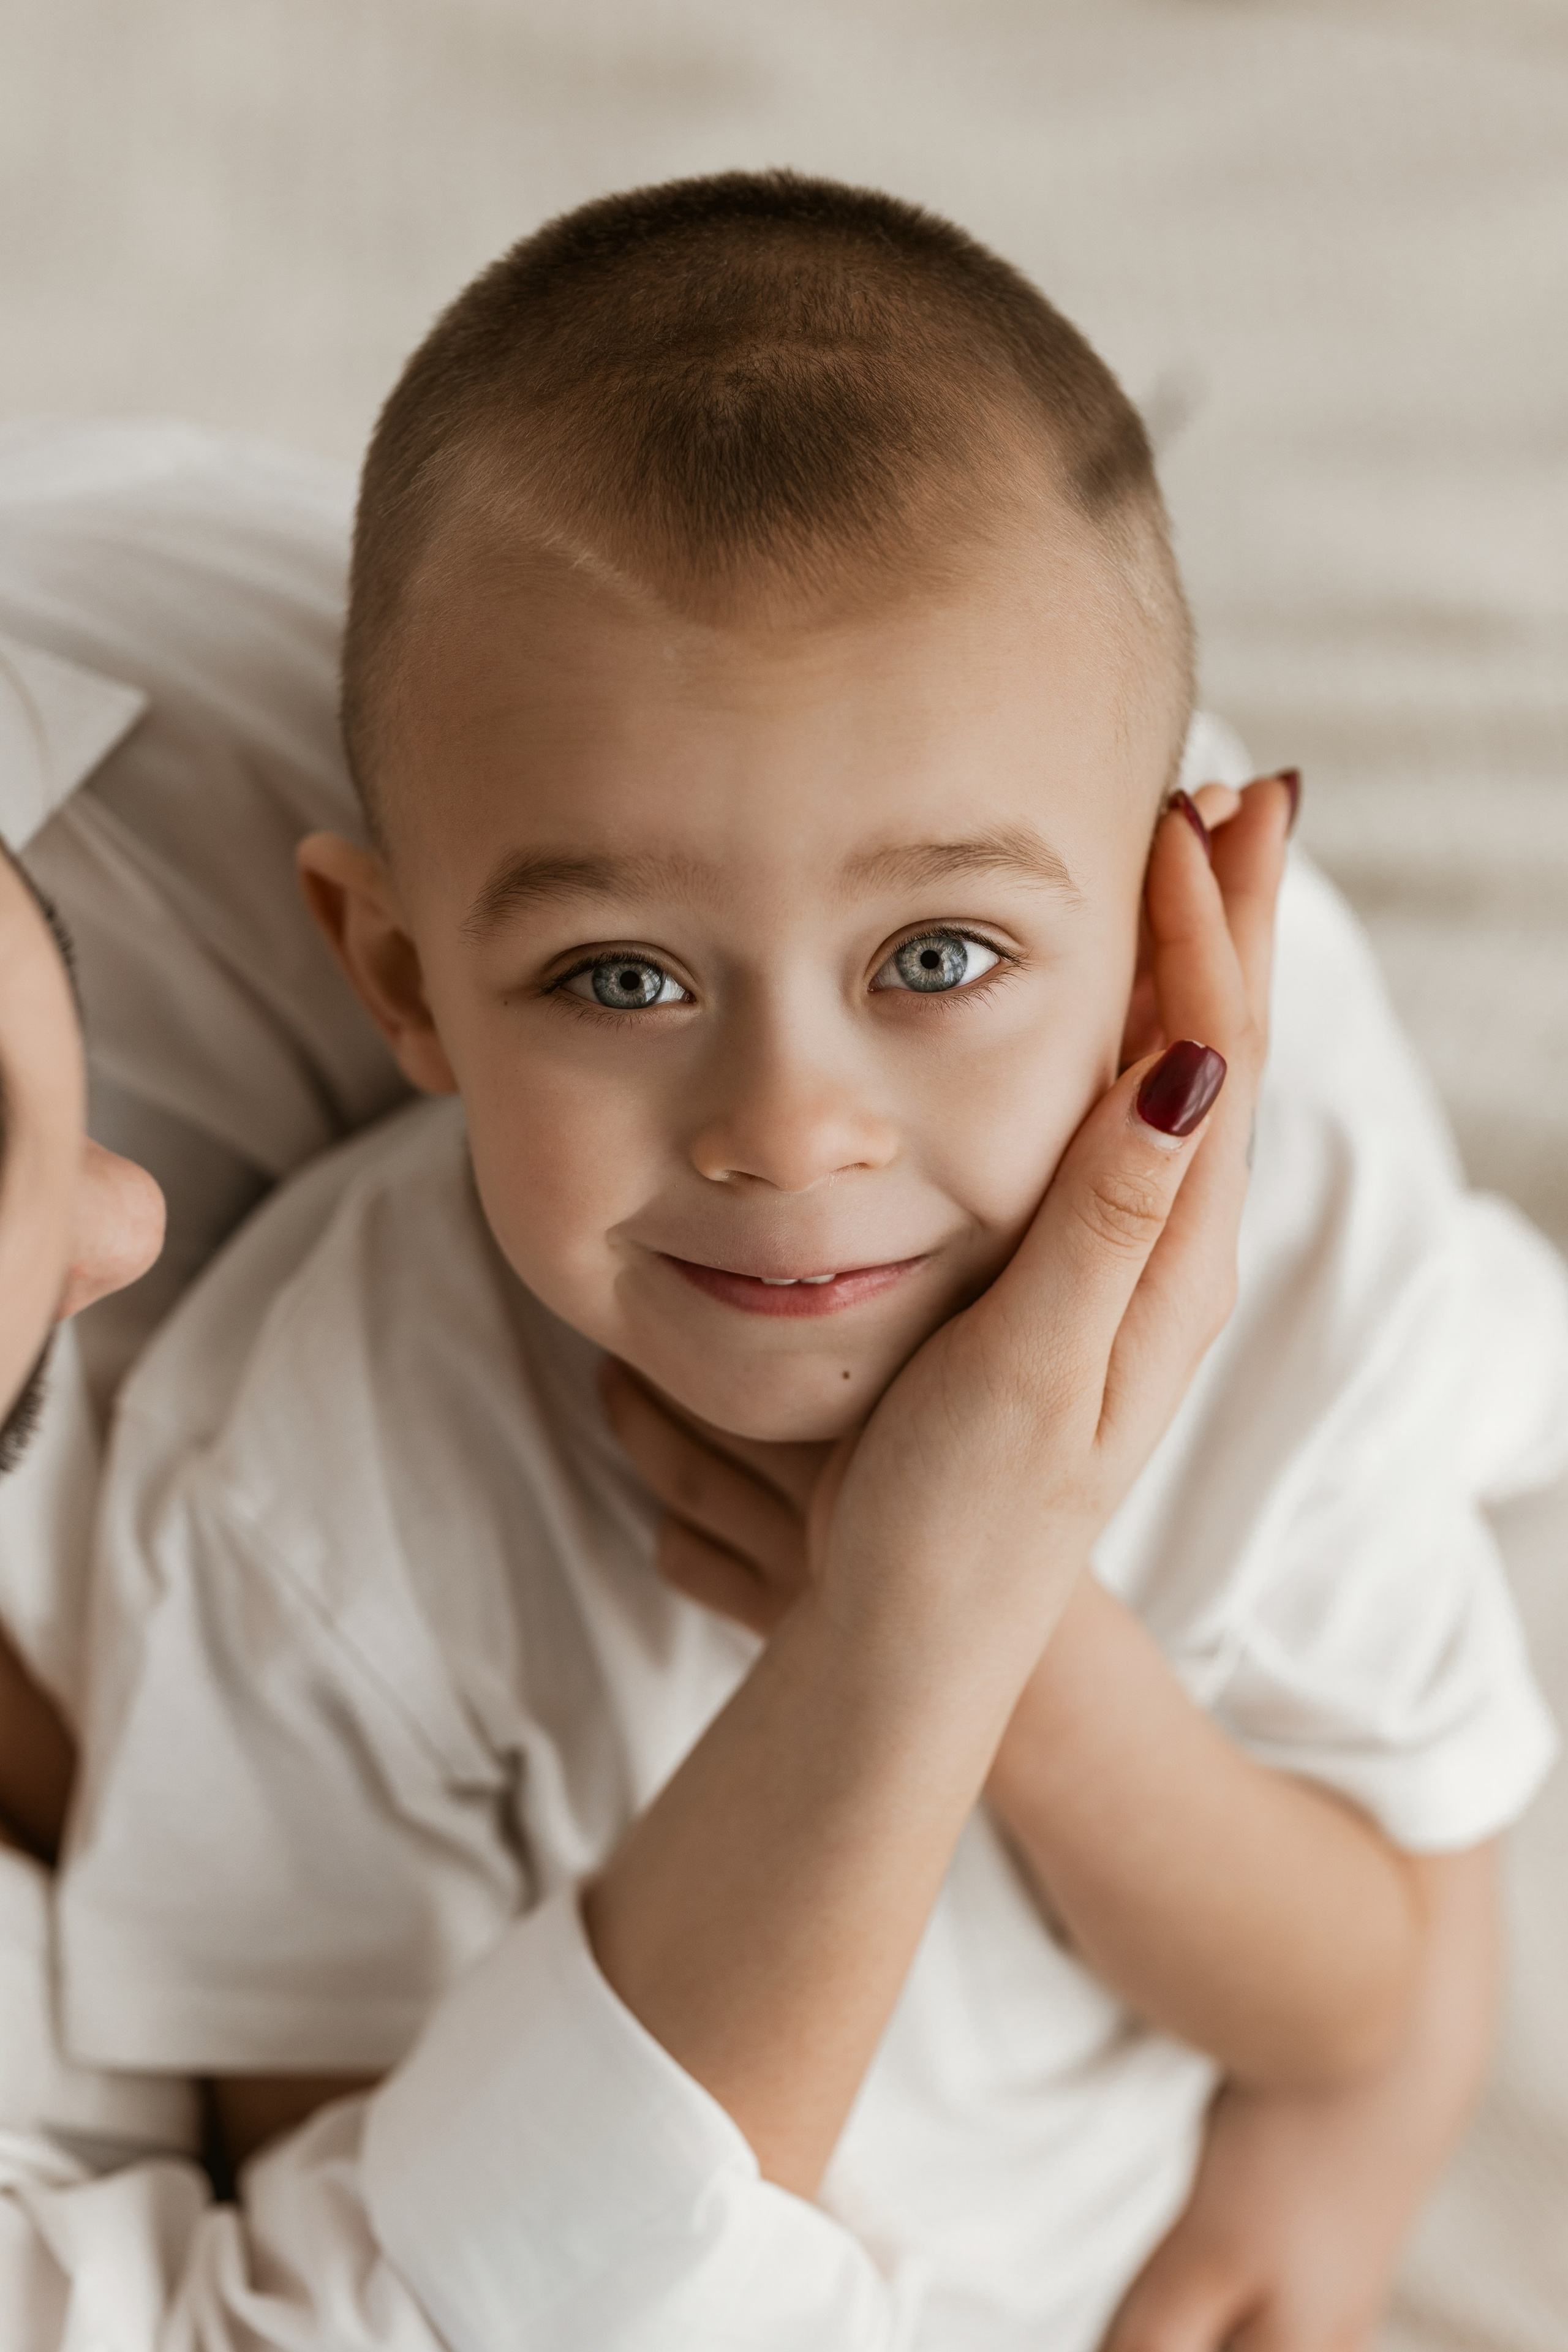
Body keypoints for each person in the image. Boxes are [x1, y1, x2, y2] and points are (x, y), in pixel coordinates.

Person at [43, 176, 1568, 2345]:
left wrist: (1027, 1650)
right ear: (398, 970)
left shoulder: (1305, 1287)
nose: (787, 1126)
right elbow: (378, 2217)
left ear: (1156, 944)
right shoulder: (312, 1460)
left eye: (936, 957)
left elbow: (1357, 2002)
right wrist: (894, 1643)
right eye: (620, 977)